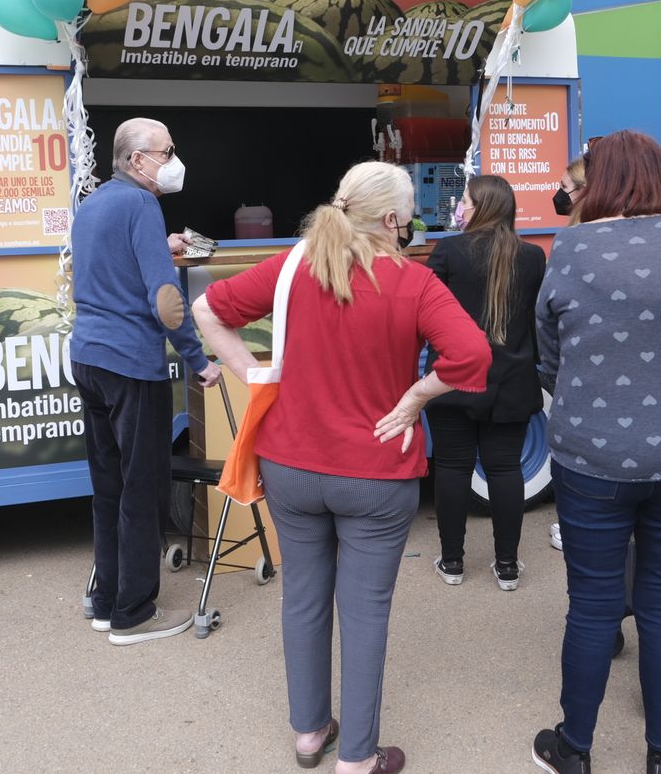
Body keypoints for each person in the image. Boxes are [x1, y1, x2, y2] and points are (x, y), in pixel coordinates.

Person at [192, 162, 490, 774]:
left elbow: (205, 310)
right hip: (376, 472)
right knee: (365, 613)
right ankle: (357, 758)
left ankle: (309, 733)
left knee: (302, 599)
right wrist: (415, 398)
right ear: (390, 219)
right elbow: (472, 355)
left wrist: (251, 375)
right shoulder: (415, 283)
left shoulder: (290, 268)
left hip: (291, 464)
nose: (411, 229)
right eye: (409, 221)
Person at [531, 131, 661, 774]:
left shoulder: (572, 246)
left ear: (600, 181)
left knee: (592, 605)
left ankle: (574, 748)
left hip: (594, 453)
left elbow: (549, 349)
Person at [70, 117, 221, 646]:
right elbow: (166, 301)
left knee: (108, 486)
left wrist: (162, 243)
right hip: (131, 363)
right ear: (137, 159)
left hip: (88, 357)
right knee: (142, 486)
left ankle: (106, 602)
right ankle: (133, 614)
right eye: (166, 151)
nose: (173, 160)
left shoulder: (94, 203)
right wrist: (199, 361)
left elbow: (113, 267)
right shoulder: (141, 204)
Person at [426, 175, 546, 590]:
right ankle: (507, 566)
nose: (459, 208)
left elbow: (427, 314)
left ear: (481, 207)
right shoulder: (533, 257)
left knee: (452, 468)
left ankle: (452, 563)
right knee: (505, 468)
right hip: (512, 382)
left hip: (453, 378)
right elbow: (536, 321)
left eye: (464, 201)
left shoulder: (448, 251)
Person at [547, 146, 591, 554]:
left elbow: (547, 325)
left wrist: (554, 374)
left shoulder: (572, 244)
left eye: (564, 188)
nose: (558, 195)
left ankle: (573, 524)